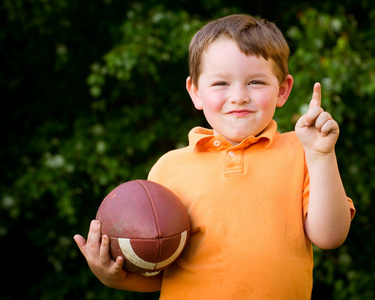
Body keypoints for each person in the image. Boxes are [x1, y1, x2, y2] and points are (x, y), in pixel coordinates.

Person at [74, 14, 355, 299]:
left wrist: (320, 156)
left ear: (282, 90)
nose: (239, 96)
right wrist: (114, 277)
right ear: (195, 92)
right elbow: (161, 271)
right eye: (221, 83)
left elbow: (330, 236)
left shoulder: (303, 151)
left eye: (255, 82)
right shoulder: (170, 169)